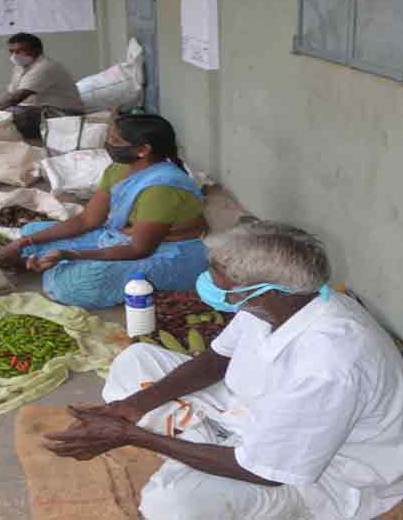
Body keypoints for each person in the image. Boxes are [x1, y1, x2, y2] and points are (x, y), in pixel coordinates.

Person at [44, 221, 403, 520]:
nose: (208, 282)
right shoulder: (279, 306)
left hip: (318, 475)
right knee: (134, 362)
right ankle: (207, 449)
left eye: (220, 278)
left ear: (266, 292)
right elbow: (218, 359)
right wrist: (133, 407)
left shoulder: (330, 365)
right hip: (255, 412)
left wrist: (132, 435)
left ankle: (203, 454)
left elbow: (262, 472)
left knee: (169, 505)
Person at [0, 114, 207, 309]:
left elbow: (139, 250)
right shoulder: (117, 169)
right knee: (31, 231)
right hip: (122, 237)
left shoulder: (162, 188)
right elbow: (87, 220)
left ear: (143, 150)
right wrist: (23, 242)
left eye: (115, 141)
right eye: (109, 137)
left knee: (79, 282)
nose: (107, 144)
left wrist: (70, 254)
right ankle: (49, 264)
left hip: (168, 254)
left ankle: (53, 267)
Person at [0, 33, 84, 139]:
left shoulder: (44, 67)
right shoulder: (20, 67)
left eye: (19, 51)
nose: (14, 55)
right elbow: (10, 94)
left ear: (36, 50)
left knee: (6, 117)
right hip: (39, 109)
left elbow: (16, 98)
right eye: (11, 51)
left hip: (63, 114)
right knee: (2, 115)